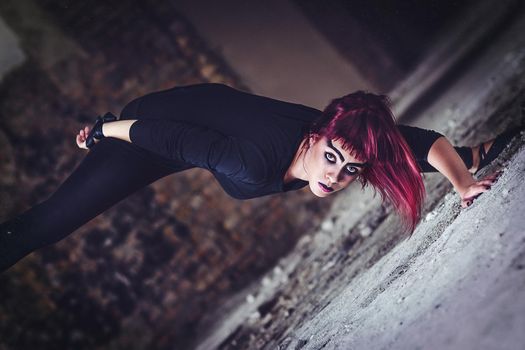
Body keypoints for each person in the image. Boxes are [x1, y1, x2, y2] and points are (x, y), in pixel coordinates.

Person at [0, 83, 518, 273]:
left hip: (212, 124)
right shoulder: (254, 162)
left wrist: (463, 178)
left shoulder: (341, 136)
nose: (337, 177)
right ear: (317, 137)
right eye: (333, 159)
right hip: (154, 127)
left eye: (350, 170)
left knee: (386, 155)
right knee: (51, 224)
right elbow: (176, 141)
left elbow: (421, 141)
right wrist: (103, 130)